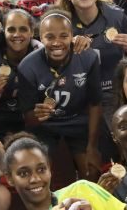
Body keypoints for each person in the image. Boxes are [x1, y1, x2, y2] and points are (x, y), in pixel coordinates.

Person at [16, 11, 103, 180]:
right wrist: (37, 115)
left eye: (63, 36)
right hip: (46, 128)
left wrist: (92, 146)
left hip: (78, 122)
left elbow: (95, 104)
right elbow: (28, 118)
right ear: (40, 38)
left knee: (91, 171)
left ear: (72, 35)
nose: (57, 43)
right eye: (49, 37)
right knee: (39, 174)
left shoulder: (88, 58)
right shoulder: (27, 67)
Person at [0, 8, 42, 140]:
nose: (17, 34)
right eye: (11, 29)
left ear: (32, 32)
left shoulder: (42, 59)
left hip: (31, 127)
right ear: (4, 32)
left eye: (23, 29)